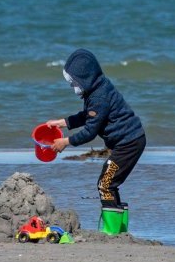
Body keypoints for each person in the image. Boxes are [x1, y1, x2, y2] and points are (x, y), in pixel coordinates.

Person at [43, 48, 146, 212]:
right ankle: (119, 225)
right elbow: (88, 116)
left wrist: (65, 142)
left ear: (84, 79)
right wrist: (62, 123)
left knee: (105, 185)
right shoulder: (98, 88)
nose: (73, 88)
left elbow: (90, 131)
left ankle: (112, 230)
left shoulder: (98, 97)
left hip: (128, 144)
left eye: (74, 84)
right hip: (128, 141)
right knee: (109, 183)